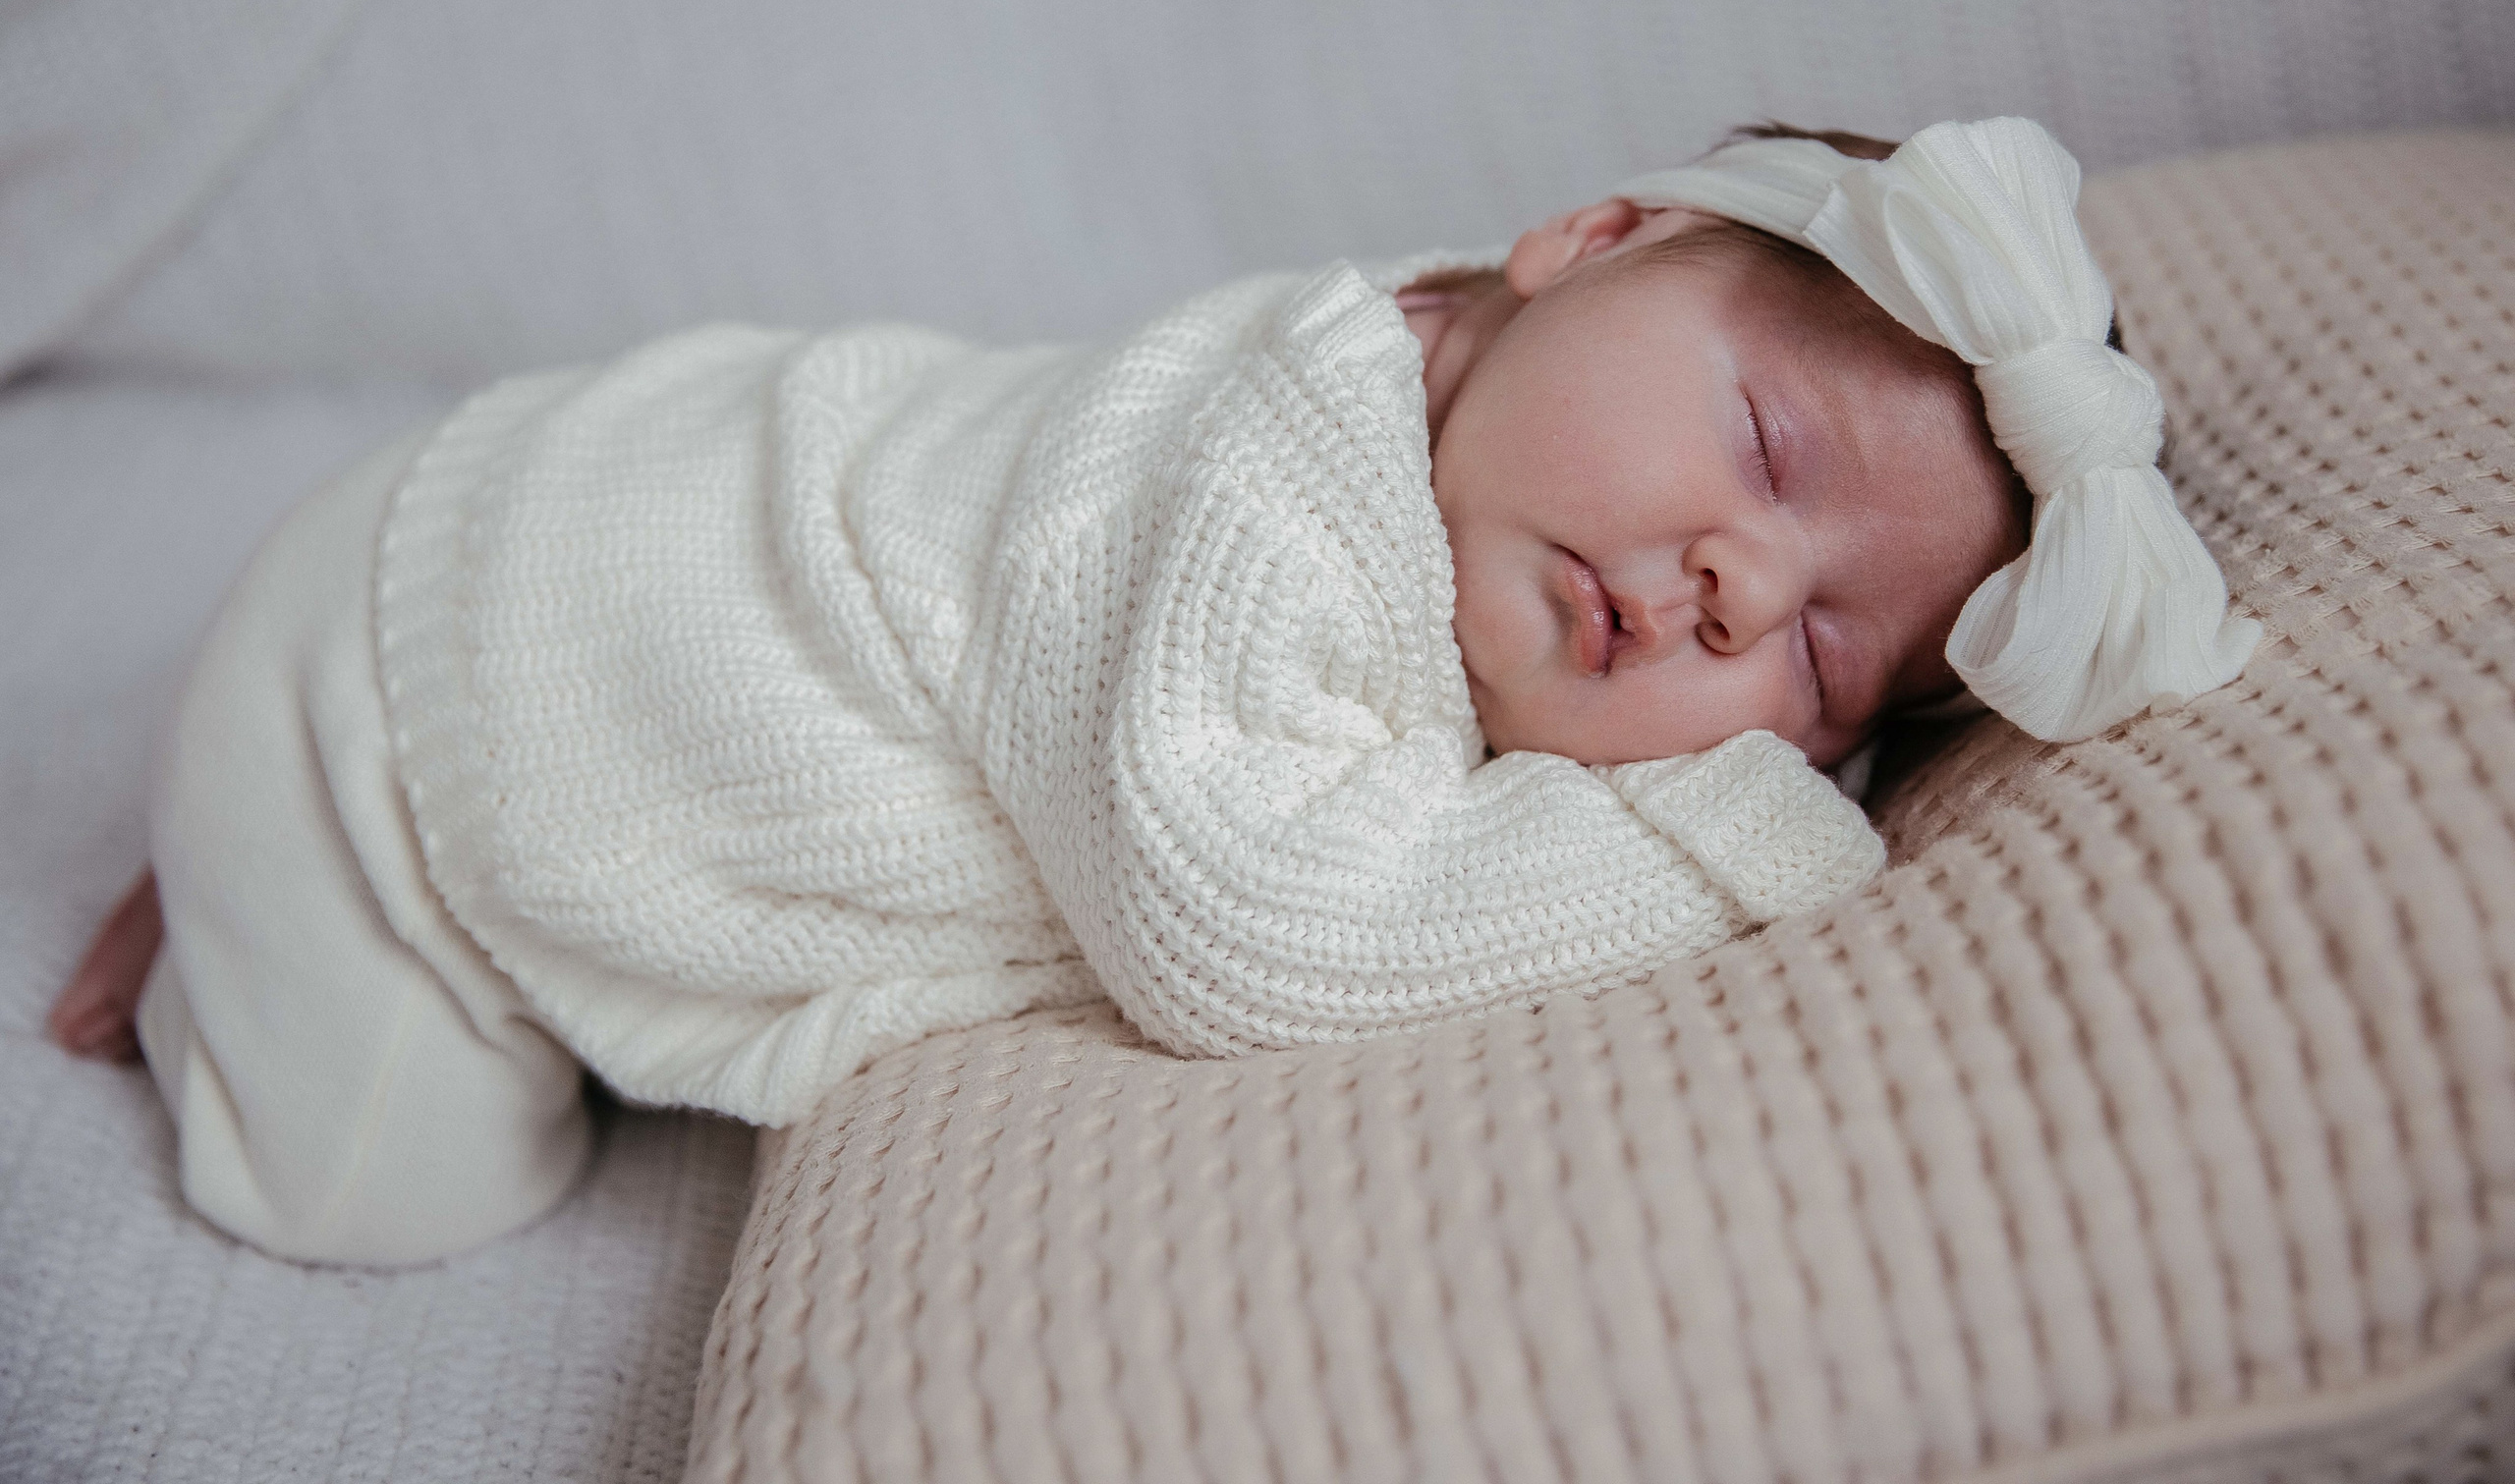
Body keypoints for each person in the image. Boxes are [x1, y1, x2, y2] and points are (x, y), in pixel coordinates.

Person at [48, 115, 2256, 1265]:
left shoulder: (1456, 464)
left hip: (556, 568)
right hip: (439, 675)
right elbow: (1247, 927)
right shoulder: (1274, 458)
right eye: (1764, 457)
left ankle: (252, 854)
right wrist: (1749, 817)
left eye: (1814, 654)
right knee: (367, 1189)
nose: (1719, 585)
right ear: (1580, 245)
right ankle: (236, 872)